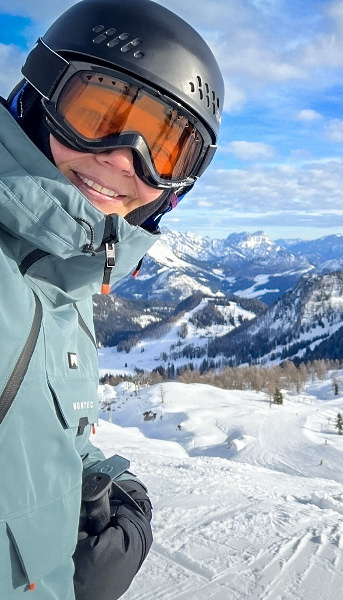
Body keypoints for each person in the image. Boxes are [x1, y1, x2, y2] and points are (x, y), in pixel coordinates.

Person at [0, 0, 224, 598]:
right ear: (39, 96)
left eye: (165, 149)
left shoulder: (67, 287)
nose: (124, 158)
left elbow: (42, 435)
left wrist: (103, 480)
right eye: (97, 114)